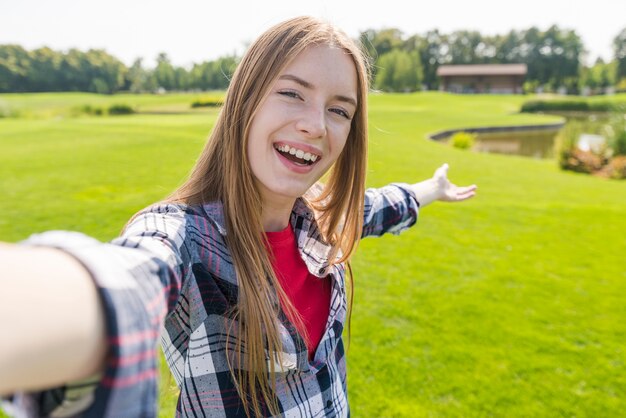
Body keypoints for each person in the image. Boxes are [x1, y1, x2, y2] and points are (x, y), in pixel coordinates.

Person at [0, 16, 476, 418]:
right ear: (245, 100)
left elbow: (374, 206)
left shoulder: (321, 221)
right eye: (292, 93)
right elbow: (128, 279)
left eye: (339, 110)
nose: (315, 124)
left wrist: (431, 189)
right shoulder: (183, 238)